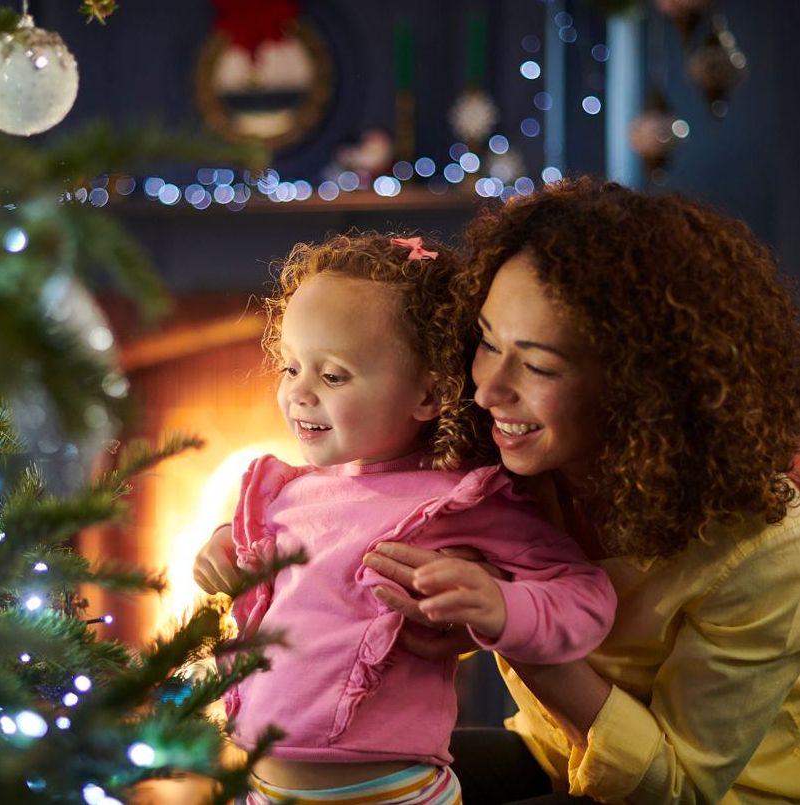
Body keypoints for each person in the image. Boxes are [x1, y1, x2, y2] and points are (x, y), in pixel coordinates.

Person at [364, 177, 800, 804]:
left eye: (539, 365)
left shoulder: (763, 547)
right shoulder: (509, 472)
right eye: (487, 342)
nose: (488, 390)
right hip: (554, 755)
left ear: (639, 386)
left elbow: (680, 787)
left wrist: (514, 627)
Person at [193, 231, 617, 805]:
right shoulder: (291, 493)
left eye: (333, 375)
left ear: (429, 394)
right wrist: (223, 547)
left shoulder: (461, 499)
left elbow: (586, 596)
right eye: (291, 367)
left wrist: (500, 606)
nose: (299, 393)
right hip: (263, 787)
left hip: (395, 793)